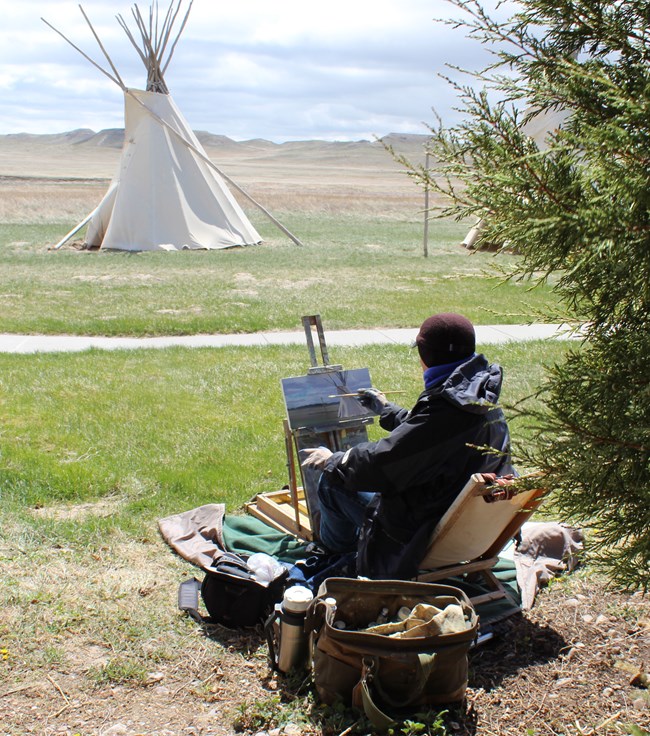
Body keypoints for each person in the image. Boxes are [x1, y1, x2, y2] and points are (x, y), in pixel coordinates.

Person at [301, 312, 514, 579]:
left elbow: (382, 465)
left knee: (332, 482)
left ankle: (335, 552)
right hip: (462, 521)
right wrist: (387, 410)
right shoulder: (479, 395)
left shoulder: (447, 412)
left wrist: (334, 460)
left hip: (419, 529)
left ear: (425, 356)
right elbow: (430, 437)